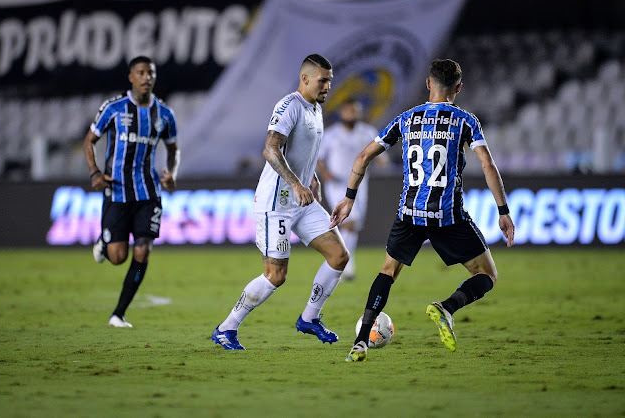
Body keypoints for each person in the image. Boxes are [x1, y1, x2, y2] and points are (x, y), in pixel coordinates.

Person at [330, 59, 515, 362]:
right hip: (447, 215)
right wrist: (503, 210)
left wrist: (348, 198)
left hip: (410, 212)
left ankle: (361, 341)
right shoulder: (465, 121)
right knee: (487, 274)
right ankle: (447, 307)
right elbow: (487, 165)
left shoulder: (406, 119)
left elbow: (363, 156)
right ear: (458, 87)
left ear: (429, 85)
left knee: (387, 272)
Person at [212, 54, 349, 350]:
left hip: (303, 200)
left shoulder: (316, 109)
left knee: (339, 256)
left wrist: (312, 179)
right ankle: (226, 328)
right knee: (276, 276)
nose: (327, 86)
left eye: (330, 81)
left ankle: (309, 318)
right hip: (276, 203)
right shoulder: (289, 106)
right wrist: (297, 183)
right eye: (322, 80)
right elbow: (270, 150)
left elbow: (304, 152)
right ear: (305, 78)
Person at [83, 55, 180, 328]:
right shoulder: (113, 108)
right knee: (117, 257)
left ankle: (119, 314)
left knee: (142, 252)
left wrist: (172, 173)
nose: (146, 77)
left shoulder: (165, 114)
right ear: (131, 77)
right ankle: (105, 240)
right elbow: (89, 140)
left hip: (148, 193)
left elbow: (174, 150)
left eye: (150, 72)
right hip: (116, 191)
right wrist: (94, 172)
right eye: (141, 72)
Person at [317, 98, 388, 281]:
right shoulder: (332, 134)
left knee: (352, 226)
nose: (352, 114)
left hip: (359, 184)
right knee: (349, 222)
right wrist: (325, 174)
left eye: (355, 111)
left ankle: (340, 262)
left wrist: (381, 161)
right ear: (342, 113)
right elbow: (319, 158)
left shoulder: (367, 132)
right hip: (337, 183)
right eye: (348, 111)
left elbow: (381, 156)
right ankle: (343, 265)